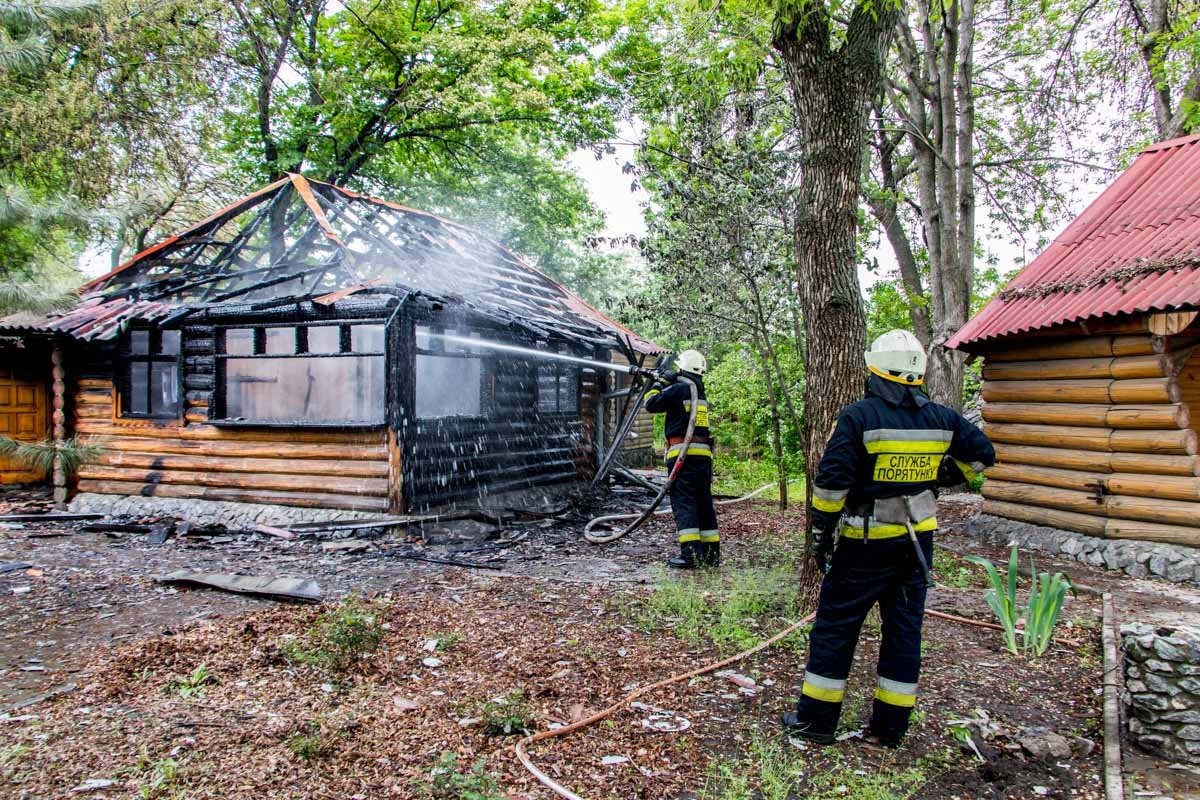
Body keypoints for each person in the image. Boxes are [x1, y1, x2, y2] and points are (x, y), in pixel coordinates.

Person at [782, 329, 995, 747]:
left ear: (875, 370)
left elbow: (831, 486)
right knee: (903, 632)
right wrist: (939, 478)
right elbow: (983, 456)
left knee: (835, 629)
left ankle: (817, 723)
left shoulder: (859, 417)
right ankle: (890, 728)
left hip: (864, 547)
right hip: (917, 547)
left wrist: (820, 536)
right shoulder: (943, 419)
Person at [644, 349, 719, 569]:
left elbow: (651, 404)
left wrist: (658, 383)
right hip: (703, 457)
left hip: (682, 456)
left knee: (684, 503)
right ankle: (711, 555)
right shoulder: (699, 390)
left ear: (682, 368)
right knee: (703, 503)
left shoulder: (678, 389)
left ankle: (690, 555)